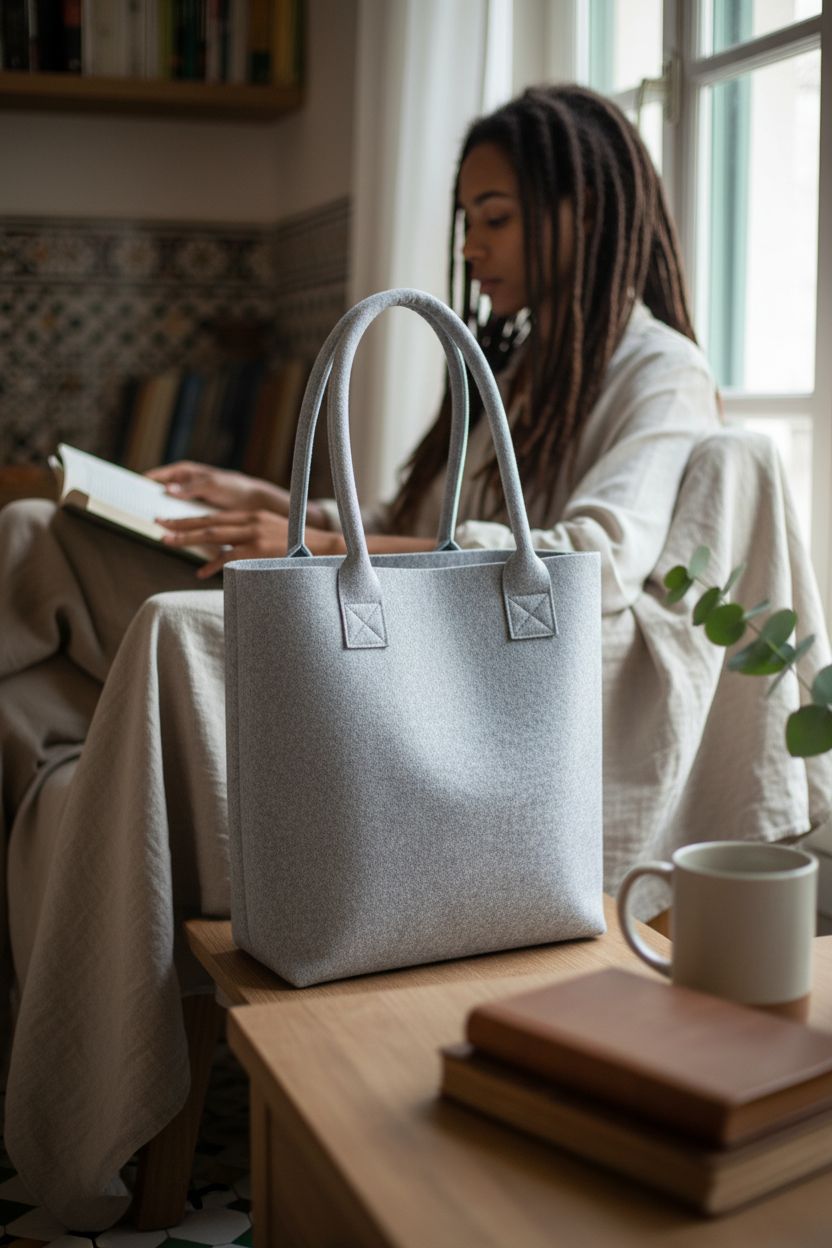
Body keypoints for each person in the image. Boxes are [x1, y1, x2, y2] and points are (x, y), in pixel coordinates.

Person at [0, 84, 828, 1230]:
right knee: (31, 535)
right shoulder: (525, 365)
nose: (474, 245)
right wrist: (272, 504)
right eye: (466, 219)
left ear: (577, 208)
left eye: (495, 215)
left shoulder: (654, 368)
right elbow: (414, 528)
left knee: (172, 625)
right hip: (396, 629)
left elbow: (586, 559)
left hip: (471, 682)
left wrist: (331, 540)